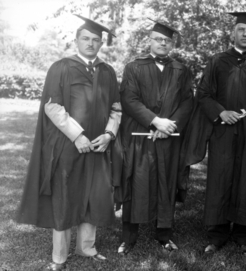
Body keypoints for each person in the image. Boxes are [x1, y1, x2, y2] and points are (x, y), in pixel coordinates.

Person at [16, 15, 121, 271]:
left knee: (93, 197)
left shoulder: (107, 71)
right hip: (68, 145)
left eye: (96, 40)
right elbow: (53, 107)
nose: (91, 44)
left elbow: (116, 108)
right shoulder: (61, 67)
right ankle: (59, 257)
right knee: (65, 197)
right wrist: (77, 135)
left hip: (98, 145)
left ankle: (87, 248)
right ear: (76, 40)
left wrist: (109, 134)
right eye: (85, 38)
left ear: (101, 44)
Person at [183, 12, 246, 255]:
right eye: (241, 29)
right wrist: (221, 113)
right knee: (220, 180)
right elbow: (203, 94)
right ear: (233, 32)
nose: (245, 34)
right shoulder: (218, 61)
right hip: (223, 133)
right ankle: (217, 235)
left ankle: (244, 235)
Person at [116, 19, 193, 254]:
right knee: (136, 183)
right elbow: (129, 99)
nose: (162, 43)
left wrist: (168, 125)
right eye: (158, 39)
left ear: (172, 44)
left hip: (168, 137)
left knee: (165, 185)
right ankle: (129, 238)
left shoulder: (181, 69)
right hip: (140, 137)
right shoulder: (134, 67)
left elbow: (188, 101)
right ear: (149, 41)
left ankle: (165, 236)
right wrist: (155, 120)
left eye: (167, 40)